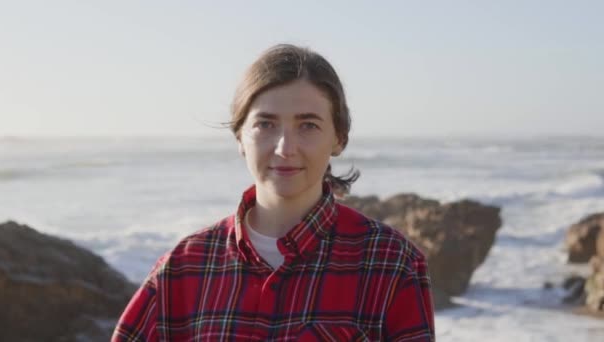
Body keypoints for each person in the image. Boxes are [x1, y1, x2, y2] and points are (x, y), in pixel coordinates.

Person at [112, 44, 435, 341]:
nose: (285, 148)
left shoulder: (391, 263)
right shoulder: (182, 269)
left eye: (308, 125)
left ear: (339, 138)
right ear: (240, 137)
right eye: (265, 124)